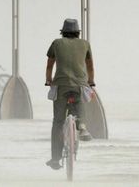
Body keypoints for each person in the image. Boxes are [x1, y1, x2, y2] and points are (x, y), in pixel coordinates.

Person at [45, 18, 95, 170]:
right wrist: (91, 81)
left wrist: (48, 80)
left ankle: (55, 159)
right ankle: (83, 126)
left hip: (61, 85)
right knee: (79, 105)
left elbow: (49, 65)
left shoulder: (56, 43)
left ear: (63, 32)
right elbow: (90, 66)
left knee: (58, 122)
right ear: (78, 33)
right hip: (79, 85)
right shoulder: (85, 44)